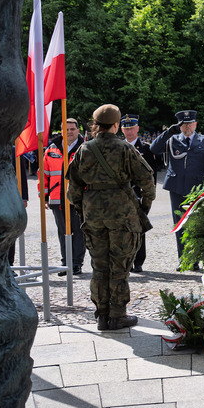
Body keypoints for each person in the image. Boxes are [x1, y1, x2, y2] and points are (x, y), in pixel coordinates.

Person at [67, 104, 156, 331]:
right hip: (122, 216)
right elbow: (148, 182)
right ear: (116, 125)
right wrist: (143, 209)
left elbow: (73, 191)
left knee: (99, 265)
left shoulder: (83, 150)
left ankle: (101, 315)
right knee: (120, 265)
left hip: (93, 217)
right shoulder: (125, 149)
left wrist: (83, 210)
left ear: (95, 126)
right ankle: (117, 315)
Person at [150, 110, 204, 259]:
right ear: (179, 126)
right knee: (179, 223)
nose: (187, 127)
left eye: (190, 123)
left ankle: (195, 258)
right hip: (177, 187)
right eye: (184, 124)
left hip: (197, 188)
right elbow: (154, 149)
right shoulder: (172, 139)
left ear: (195, 124)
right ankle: (183, 258)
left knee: (197, 223)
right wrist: (168, 132)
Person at [43, 118, 86, 277]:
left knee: (79, 232)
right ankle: (65, 263)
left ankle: (76, 264)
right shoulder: (51, 149)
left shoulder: (85, 149)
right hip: (56, 198)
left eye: (72, 129)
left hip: (78, 200)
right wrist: (44, 196)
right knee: (63, 232)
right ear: (61, 131)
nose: (69, 132)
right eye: (66, 129)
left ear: (78, 130)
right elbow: (44, 175)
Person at [121, 114, 161, 273]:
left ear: (137, 129)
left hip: (139, 194)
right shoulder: (117, 147)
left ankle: (138, 261)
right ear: (122, 129)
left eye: (131, 128)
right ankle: (125, 260)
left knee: (139, 229)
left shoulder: (146, 148)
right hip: (121, 195)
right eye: (126, 128)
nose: (129, 131)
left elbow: (152, 174)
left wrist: (149, 195)